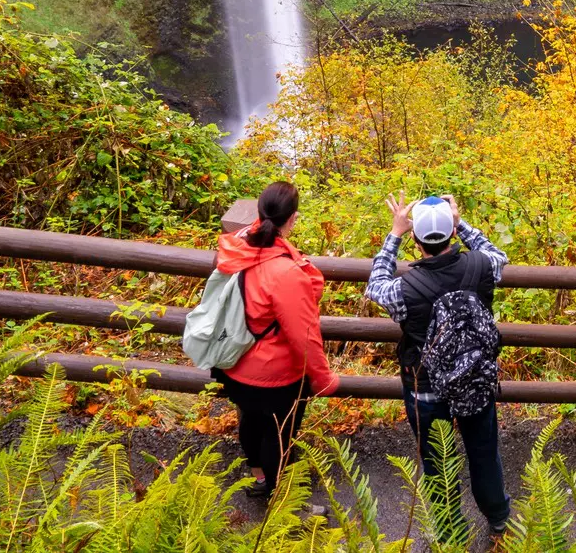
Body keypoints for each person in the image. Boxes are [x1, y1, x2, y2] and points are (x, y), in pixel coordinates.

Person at [365, 193, 511, 541]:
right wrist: (462, 224)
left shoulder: (404, 289)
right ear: (451, 234)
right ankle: (499, 518)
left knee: (437, 463)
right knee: (483, 451)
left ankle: (450, 534)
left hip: (426, 387)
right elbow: (498, 255)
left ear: (416, 240)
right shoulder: (481, 266)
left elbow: (375, 285)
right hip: (475, 377)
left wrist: (394, 234)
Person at [211, 180, 338, 498]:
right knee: (278, 436)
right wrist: (322, 378)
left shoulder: (235, 246)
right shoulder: (286, 273)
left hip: (234, 362)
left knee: (251, 423)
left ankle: (258, 479)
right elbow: (304, 335)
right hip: (275, 376)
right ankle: (280, 499)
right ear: (293, 219)